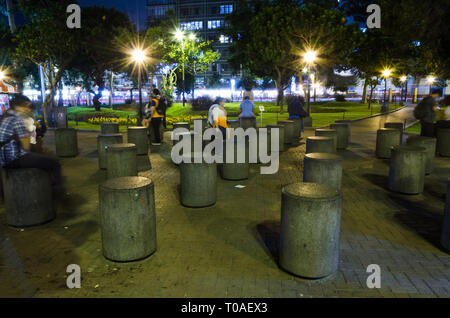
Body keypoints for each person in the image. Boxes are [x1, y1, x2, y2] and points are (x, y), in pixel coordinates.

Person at [0, 94, 62, 187]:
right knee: (54, 163)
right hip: (14, 159)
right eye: (28, 106)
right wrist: (29, 131)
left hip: (3, 158)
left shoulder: (6, 116)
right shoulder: (17, 120)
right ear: (19, 107)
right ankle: (58, 192)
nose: (29, 110)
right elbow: (26, 148)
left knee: (41, 157)